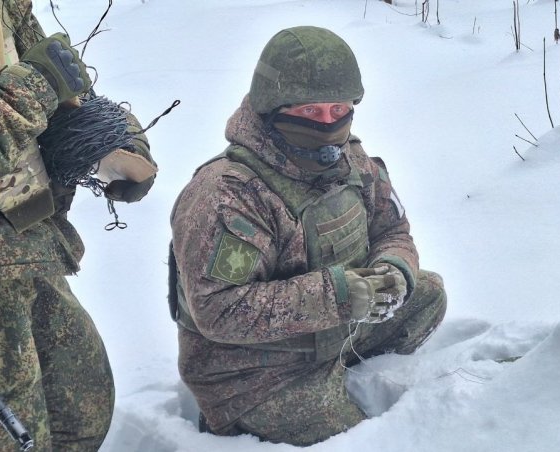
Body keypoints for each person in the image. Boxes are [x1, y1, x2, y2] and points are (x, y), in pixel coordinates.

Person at [169, 25, 447, 446]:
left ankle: (345, 367)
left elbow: (392, 228)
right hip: (254, 372)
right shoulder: (228, 195)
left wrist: (393, 270)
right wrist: (341, 294)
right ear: (272, 107)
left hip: (335, 333)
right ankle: (235, 425)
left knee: (427, 294)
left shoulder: (350, 158)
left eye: (339, 109)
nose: (327, 124)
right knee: (367, 443)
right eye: (309, 112)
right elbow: (219, 310)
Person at [0, 0, 155, 450]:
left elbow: (58, 74)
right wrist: (35, 86)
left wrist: (116, 141)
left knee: (83, 405)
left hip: (30, 230)